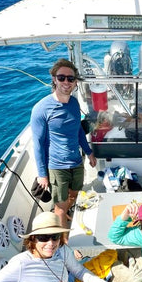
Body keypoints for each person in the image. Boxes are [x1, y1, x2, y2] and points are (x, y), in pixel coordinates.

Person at [31, 58, 96, 227]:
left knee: (74, 194)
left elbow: (79, 131)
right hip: (57, 166)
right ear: (54, 79)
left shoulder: (74, 103)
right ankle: (63, 242)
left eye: (70, 78)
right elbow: (37, 143)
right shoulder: (41, 108)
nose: (66, 82)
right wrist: (42, 174)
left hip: (76, 161)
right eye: (61, 78)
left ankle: (65, 213)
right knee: (60, 206)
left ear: (75, 82)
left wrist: (88, 152)